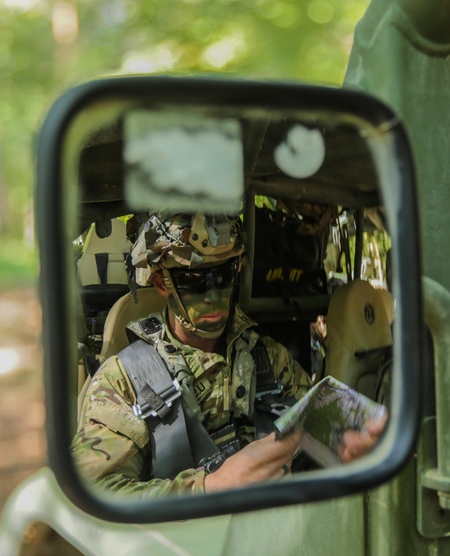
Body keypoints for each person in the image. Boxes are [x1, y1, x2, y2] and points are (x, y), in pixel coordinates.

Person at [72, 212, 314, 496]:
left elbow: (318, 435)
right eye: (193, 280)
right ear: (162, 284)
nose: (213, 295)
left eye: (224, 274)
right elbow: (94, 491)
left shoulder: (269, 358)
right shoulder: (123, 381)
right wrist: (211, 486)